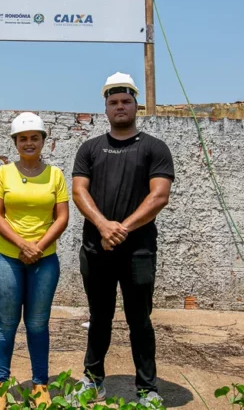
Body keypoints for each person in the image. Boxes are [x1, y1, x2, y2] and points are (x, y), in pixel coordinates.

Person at [70, 73, 175, 407]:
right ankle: (93, 381)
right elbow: (79, 191)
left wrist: (121, 229)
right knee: (99, 317)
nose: (120, 107)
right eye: (113, 102)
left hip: (138, 252)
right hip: (96, 249)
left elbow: (159, 196)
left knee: (139, 321)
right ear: (105, 108)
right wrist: (103, 226)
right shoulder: (90, 148)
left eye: (126, 101)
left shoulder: (154, 148)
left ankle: (147, 389)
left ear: (135, 105)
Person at [0, 112, 70, 410]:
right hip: (6, 259)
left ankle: (40, 385)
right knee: (5, 324)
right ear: (15, 142)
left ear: (44, 141)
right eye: (23, 138)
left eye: (35, 137)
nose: (29, 143)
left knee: (37, 324)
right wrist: (22, 244)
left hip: (44, 261)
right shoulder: (3, 173)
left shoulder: (55, 175)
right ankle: (0, 385)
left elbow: (62, 217)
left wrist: (39, 247)